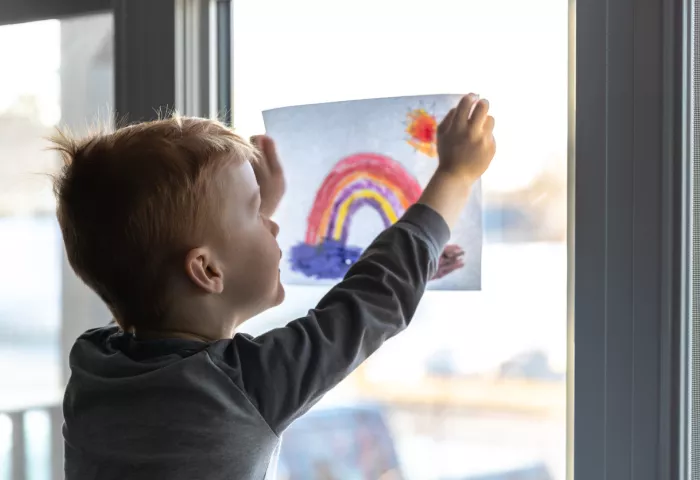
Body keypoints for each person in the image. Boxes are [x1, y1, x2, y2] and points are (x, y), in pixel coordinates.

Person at [54, 93, 495, 479]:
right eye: (255, 212)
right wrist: (453, 177)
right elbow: (375, 299)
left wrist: (239, 215)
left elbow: (170, 293)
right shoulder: (239, 389)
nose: (273, 224)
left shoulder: (94, 365)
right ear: (207, 271)